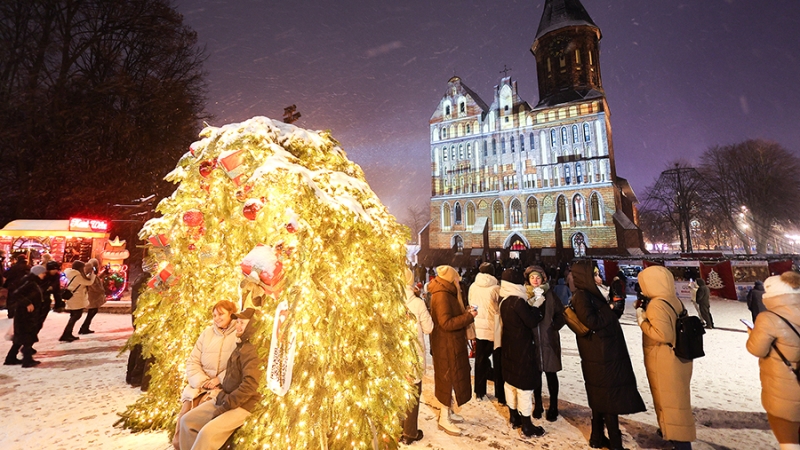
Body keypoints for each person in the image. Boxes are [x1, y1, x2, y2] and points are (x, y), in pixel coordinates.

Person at [571, 260, 646, 450]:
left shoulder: (594, 293)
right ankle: (615, 443)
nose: (599, 278)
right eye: (594, 275)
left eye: (598, 274)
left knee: (601, 395)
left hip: (604, 351)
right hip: (600, 354)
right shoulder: (582, 296)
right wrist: (610, 307)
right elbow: (592, 321)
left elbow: (606, 318)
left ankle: (597, 437)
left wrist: (614, 307)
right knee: (609, 396)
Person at [179, 307, 263, 450]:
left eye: (243, 323)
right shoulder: (241, 345)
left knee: (207, 434)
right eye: (238, 322)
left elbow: (250, 385)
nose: (238, 325)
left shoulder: (253, 350)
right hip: (225, 397)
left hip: (242, 405)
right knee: (187, 421)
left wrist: (226, 403)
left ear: (253, 325)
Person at [636, 266, 696, 450]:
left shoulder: (657, 304)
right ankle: (668, 431)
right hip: (679, 357)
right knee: (675, 400)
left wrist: (642, 320)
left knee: (671, 402)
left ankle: (680, 442)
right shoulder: (672, 299)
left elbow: (662, 334)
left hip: (664, 360)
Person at [173, 300, 239, 449]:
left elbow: (237, 365)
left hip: (222, 387)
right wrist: (202, 381)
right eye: (214, 315)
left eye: (221, 314)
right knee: (185, 415)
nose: (217, 318)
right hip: (200, 385)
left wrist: (218, 380)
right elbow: (192, 361)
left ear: (231, 314)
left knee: (201, 416)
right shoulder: (207, 333)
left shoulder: (237, 334)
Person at [746, 271, 800, 450]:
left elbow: (756, 349)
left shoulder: (768, 319)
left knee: (789, 442)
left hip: (785, 392)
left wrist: (752, 334)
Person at [428, 265, 477, 436]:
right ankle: (443, 417)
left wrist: (465, 312)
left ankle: (447, 412)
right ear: (451, 279)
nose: (458, 282)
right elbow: (446, 323)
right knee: (447, 379)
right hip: (446, 345)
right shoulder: (442, 295)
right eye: (456, 279)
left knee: (450, 377)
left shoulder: (446, 293)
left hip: (450, 343)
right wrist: (468, 317)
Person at [500, 267, 546, 438]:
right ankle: (526, 425)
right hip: (522, 349)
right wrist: (537, 305)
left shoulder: (504, 300)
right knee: (524, 387)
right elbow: (532, 321)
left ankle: (514, 417)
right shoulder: (517, 301)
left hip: (509, 347)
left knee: (510, 383)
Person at [524, 265, 565, 422]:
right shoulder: (525, 296)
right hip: (533, 341)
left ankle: (553, 406)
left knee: (551, 374)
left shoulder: (551, 295)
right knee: (536, 375)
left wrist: (554, 326)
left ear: (543, 279)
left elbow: (562, 314)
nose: (535, 280)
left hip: (549, 340)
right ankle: (538, 404)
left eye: (538, 278)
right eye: (532, 277)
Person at [401, 268, 434, 445]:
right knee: (413, 392)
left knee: (399, 392)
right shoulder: (417, 303)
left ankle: (398, 428)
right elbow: (429, 328)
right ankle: (410, 432)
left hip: (397, 354)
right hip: (413, 354)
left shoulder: (391, 302)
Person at [469, 262, 500, 402]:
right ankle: (500, 392)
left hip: (479, 326)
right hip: (495, 328)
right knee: (498, 360)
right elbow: (499, 307)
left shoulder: (473, 287)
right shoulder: (496, 288)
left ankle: (479, 391)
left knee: (480, 360)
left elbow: (471, 304)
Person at [4, 265, 46, 367]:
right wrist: (27, 303)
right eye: (43, 273)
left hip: (26, 314)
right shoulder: (30, 282)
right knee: (27, 336)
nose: (44, 275)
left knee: (20, 337)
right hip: (25, 315)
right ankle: (27, 360)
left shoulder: (33, 282)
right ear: (37, 273)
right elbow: (16, 294)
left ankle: (11, 358)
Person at [60, 260, 96, 342]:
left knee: (73, 316)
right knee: (76, 316)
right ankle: (66, 334)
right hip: (76, 298)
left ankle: (68, 333)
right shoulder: (77, 276)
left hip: (72, 298)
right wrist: (93, 274)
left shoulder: (70, 273)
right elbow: (89, 282)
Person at [79, 259, 107, 334]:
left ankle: (85, 327)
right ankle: (84, 327)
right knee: (92, 312)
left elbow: (96, 278)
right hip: (93, 296)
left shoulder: (89, 273)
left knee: (92, 312)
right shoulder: (90, 275)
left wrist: (103, 273)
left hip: (92, 296)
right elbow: (95, 285)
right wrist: (102, 290)